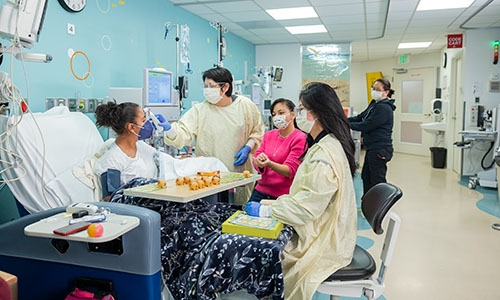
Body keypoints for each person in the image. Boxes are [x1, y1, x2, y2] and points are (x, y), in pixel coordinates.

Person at [246, 82, 358, 300]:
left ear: (316, 113)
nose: (298, 115)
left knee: (267, 254)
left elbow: (305, 209)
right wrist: (269, 204)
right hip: (308, 214)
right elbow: (306, 198)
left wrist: (266, 211)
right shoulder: (324, 144)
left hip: (322, 236)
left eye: (300, 109)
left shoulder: (323, 156)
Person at [156, 67, 264, 204]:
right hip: (208, 175)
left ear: (225, 87)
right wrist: (170, 129)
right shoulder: (200, 110)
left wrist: (248, 147)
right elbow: (183, 133)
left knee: (238, 209)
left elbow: (257, 131)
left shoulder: (245, 105)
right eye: (205, 86)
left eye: (211, 86)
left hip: (238, 172)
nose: (207, 90)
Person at [93, 102, 158, 199]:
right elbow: (111, 200)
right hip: (137, 208)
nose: (148, 123)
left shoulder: (143, 147)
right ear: (131, 127)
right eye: (144, 120)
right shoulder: (112, 159)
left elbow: (164, 162)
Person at [249, 98, 306, 203]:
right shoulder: (268, 135)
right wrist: (259, 163)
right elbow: (257, 157)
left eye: (281, 113)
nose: (277, 117)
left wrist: (269, 163)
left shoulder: (300, 138)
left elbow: (290, 171)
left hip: (283, 196)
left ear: (292, 115)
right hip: (260, 191)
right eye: (274, 114)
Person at [348, 78, 396, 195]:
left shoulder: (384, 108)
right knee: (366, 176)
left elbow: (367, 125)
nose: (374, 91)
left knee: (377, 180)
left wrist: (346, 124)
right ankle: (368, 203)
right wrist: (343, 120)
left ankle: (379, 207)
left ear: (386, 92)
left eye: (378, 89)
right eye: (373, 88)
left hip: (380, 148)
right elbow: (360, 117)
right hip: (372, 147)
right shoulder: (374, 104)